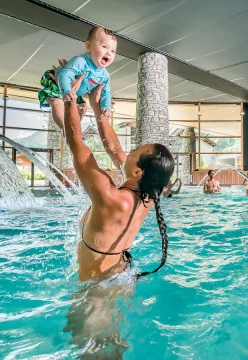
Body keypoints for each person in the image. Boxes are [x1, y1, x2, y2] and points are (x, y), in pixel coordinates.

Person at [60, 77, 173, 282]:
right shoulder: (148, 197)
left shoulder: (112, 198)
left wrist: (70, 101)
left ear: (138, 172)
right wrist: (98, 111)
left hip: (98, 291)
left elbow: (76, 144)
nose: (126, 153)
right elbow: (114, 149)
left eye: (134, 152)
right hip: (123, 274)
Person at [39, 26, 116, 131]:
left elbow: (106, 93)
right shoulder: (81, 61)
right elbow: (65, 74)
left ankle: (75, 129)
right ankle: (65, 129)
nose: (109, 53)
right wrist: (66, 90)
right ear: (88, 46)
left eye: (113, 51)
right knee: (57, 103)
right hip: (58, 84)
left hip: (76, 92)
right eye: (104, 47)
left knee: (83, 107)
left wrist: (105, 107)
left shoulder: (105, 75)